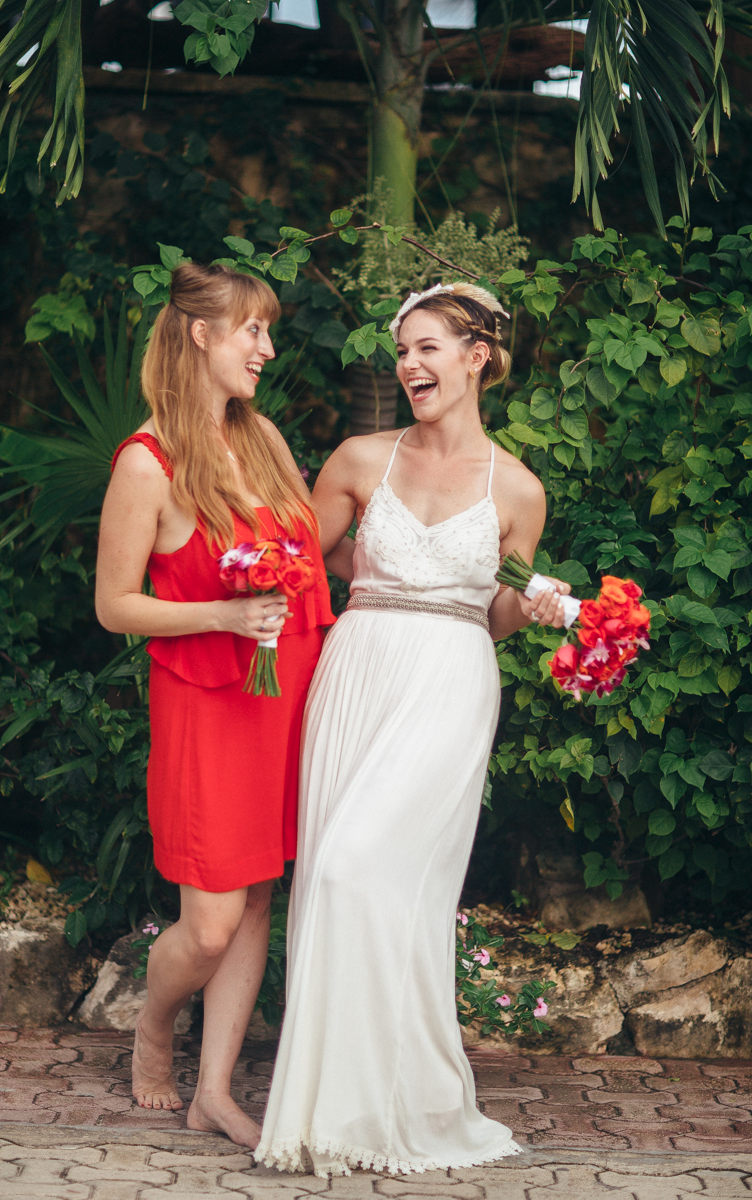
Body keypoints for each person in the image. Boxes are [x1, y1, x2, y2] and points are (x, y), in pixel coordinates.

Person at [255, 281, 571, 1176]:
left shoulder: (519, 489)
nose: (408, 365)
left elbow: (493, 613)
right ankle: (332, 1109)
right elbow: (294, 569)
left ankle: (402, 1103)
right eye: (402, 350)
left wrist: (535, 603)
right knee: (334, 878)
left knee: (375, 873)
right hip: (356, 675)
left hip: (448, 684)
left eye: (427, 347)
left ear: (476, 358)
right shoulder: (357, 460)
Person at [95, 262, 335, 1149]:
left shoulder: (265, 438)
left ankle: (215, 1092)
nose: (267, 349)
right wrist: (224, 613)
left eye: (268, 332)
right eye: (253, 332)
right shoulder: (144, 462)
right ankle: (155, 1022)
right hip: (207, 705)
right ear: (201, 334)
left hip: (286, 699)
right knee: (208, 926)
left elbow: (308, 562)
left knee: (259, 901)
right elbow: (114, 604)